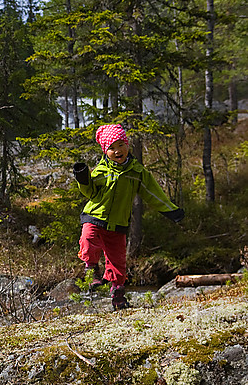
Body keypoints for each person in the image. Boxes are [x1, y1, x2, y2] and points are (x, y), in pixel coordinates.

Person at [73, 124, 184, 310]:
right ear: (105, 151)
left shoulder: (137, 172)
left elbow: (153, 193)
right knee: (88, 239)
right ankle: (92, 269)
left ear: (127, 145)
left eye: (121, 145)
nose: (117, 151)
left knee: (117, 261)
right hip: (95, 216)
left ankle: (117, 294)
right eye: (112, 148)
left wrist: (170, 210)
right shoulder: (101, 170)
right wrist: (83, 179)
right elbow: (90, 192)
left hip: (118, 224)